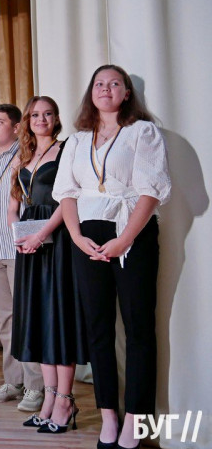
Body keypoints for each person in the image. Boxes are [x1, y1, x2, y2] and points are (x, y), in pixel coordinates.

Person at [53, 65, 170, 449]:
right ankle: (108, 416)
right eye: (99, 84)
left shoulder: (142, 132)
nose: (106, 89)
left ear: (126, 93)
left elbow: (151, 191)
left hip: (132, 233)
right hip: (87, 237)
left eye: (114, 83)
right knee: (98, 329)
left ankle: (135, 420)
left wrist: (125, 240)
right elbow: (66, 193)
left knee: (139, 328)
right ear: (91, 92)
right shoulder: (77, 140)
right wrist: (76, 237)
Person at [8, 96, 88, 433]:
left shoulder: (67, 149)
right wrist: (18, 233)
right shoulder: (22, 155)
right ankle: (49, 400)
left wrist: (41, 234)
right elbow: (13, 204)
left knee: (58, 318)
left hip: (57, 239)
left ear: (56, 119)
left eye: (48, 114)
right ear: (27, 120)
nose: (41, 119)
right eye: (35, 115)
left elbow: (68, 199)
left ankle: (65, 401)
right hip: (29, 242)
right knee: (40, 320)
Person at [0, 104, 44, 411]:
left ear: (16, 128)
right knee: (5, 321)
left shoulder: (27, 157)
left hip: (18, 249)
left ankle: (36, 386)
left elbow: (35, 202)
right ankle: (13, 381)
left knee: (27, 317)